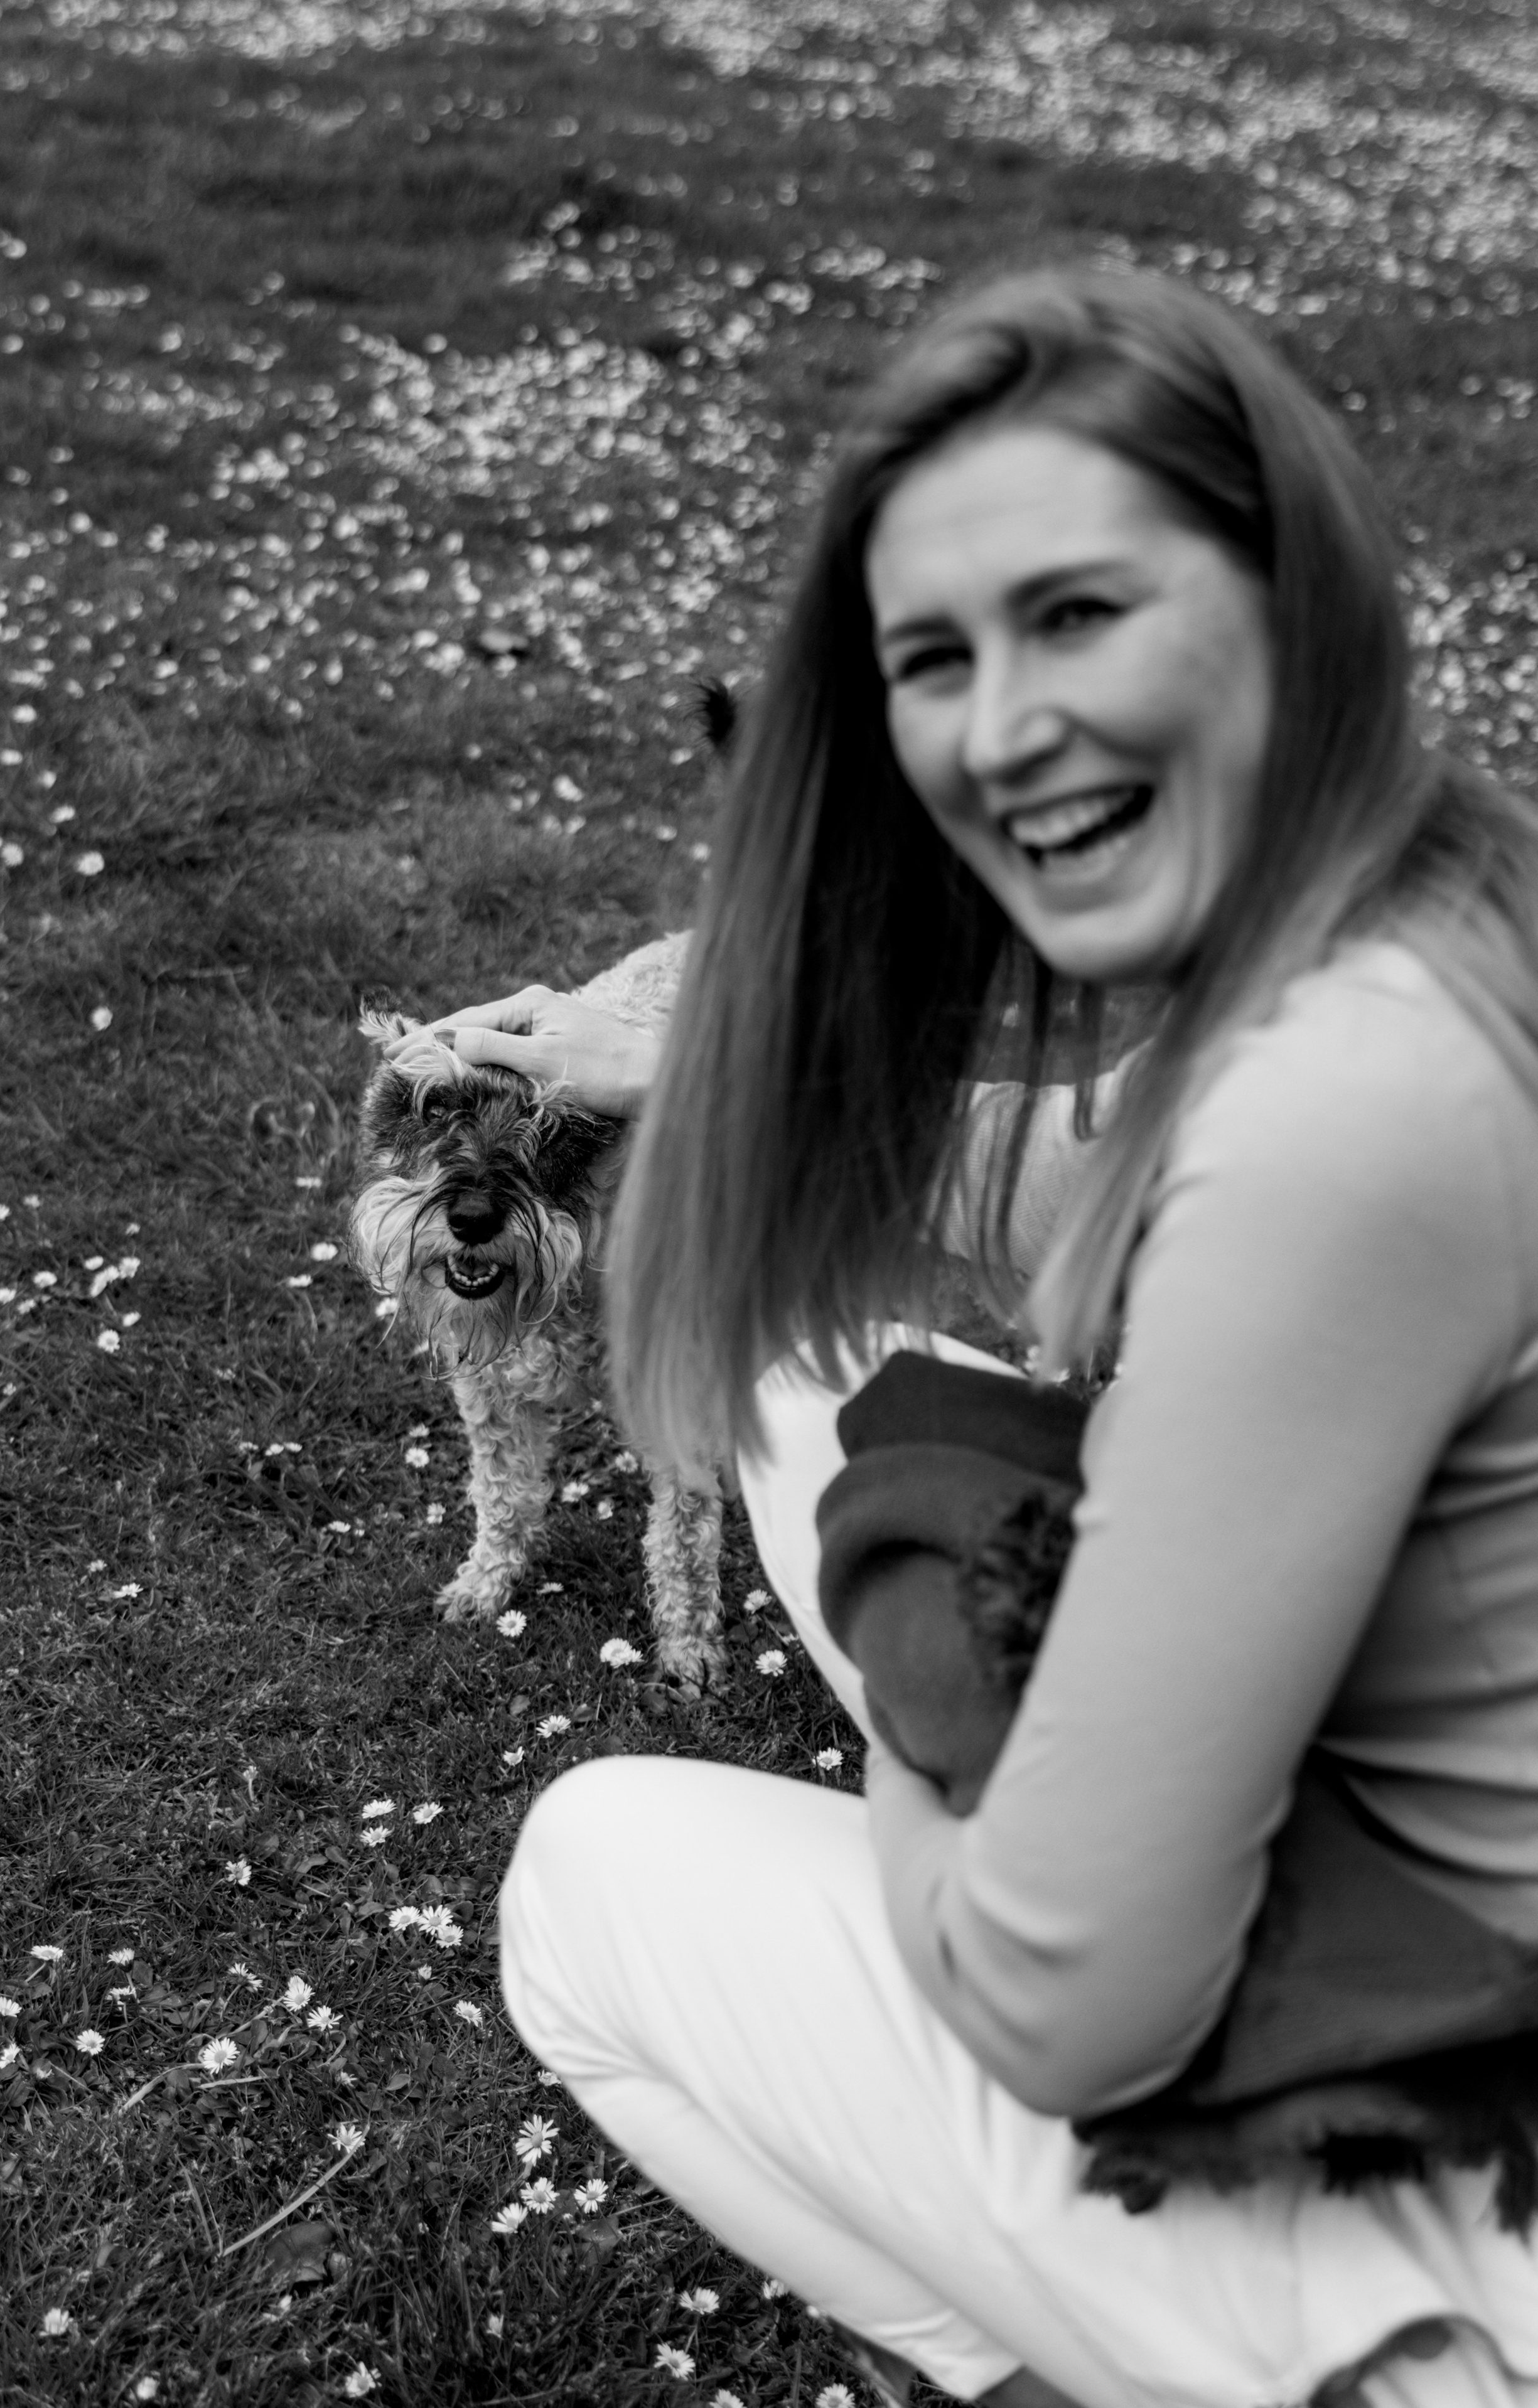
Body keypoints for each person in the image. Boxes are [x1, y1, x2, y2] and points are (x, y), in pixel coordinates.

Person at [390, 269, 1538, 2405]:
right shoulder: (1451, 922)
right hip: (1443, 1879)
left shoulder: (1344, 1125)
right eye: (933, 658)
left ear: (1294, 605)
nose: (1000, 728)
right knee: (802, 1371)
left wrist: (930, 1718)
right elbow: (1066, 1172)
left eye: (1080, 613)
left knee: (587, 1881)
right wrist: (665, 1060)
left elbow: (1068, 2000)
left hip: (1473, 2169)